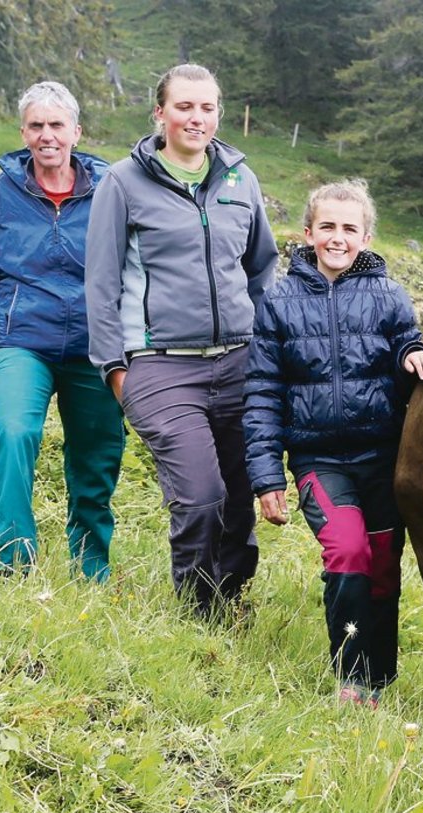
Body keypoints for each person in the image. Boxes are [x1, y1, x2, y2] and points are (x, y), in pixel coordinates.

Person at [86, 63, 279, 618]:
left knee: (238, 499)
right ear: (160, 113)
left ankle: (229, 599)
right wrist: (117, 372)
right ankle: (197, 607)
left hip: (241, 362)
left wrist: (268, 355)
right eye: (184, 107)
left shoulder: (242, 179)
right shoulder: (123, 183)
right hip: (160, 365)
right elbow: (99, 286)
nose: (197, 118)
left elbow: (262, 272)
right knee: (201, 496)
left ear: (219, 114)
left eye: (207, 108)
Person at [243, 179, 423, 706]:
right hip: (318, 459)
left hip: (383, 458)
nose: (337, 237)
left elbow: (405, 345)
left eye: (349, 228)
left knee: (381, 567)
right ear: (308, 233)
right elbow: (262, 390)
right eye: (327, 226)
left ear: (366, 237)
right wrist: (265, 476)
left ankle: (380, 679)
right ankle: (351, 680)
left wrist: (413, 354)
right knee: (347, 551)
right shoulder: (278, 302)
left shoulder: (389, 295)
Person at [0, 81, 125, 581]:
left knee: (97, 458)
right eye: (36, 125)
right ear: (23, 133)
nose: (46, 135)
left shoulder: (111, 191)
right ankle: (12, 559)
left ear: (77, 131)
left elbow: (136, 267)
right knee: (12, 431)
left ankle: (90, 564)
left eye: (56, 125)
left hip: (95, 351)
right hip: (22, 343)